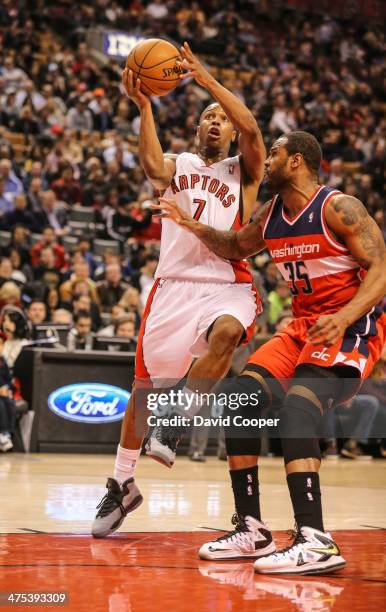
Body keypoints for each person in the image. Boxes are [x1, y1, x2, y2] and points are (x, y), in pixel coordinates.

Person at [153, 131, 386, 574]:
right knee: (240, 398)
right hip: (304, 327)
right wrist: (190, 224)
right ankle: (253, 529)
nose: (263, 159)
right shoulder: (271, 215)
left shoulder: (339, 207)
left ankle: (315, 538)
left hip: (352, 326)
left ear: (296, 162)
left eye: (274, 153)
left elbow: (381, 268)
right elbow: (235, 245)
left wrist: (343, 316)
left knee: (297, 409)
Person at [92, 42, 265, 537]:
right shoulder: (180, 163)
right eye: (207, 116)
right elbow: (151, 167)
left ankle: (178, 419)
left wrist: (208, 81)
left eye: (221, 118)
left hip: (225, 282)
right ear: (195, 129)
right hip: (173, 286)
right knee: (142, 394)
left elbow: (253, 128)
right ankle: (122, 483)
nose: (215, 121)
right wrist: (145, 106)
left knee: (229, 333)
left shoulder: (245, 172)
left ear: (230, 131)